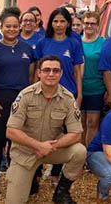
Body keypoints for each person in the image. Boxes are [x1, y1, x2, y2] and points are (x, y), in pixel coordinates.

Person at [5, 56, 86, 204]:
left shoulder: (68, 98)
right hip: (25, 152)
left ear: (61, 73)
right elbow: (11, 131)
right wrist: (38, 146)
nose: (51, 74)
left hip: (52, 150)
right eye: (46, 70)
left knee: (80, 151)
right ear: (38, 73)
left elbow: (76, 134)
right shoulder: (25, 95)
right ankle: (31, 180)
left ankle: (61, 192)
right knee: (14, 201)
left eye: (55, 70)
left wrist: (51, 146)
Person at [0, 10, 35, 196]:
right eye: (7, 26)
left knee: (18, 143)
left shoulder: (27, 49)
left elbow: (31, 76)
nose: (11, 29)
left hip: (21, 101)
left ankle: (15, 178)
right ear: (1, 27)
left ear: (20, 27)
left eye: (14, 26)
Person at [36, 7, 85, 104]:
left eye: (62, 21)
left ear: (68, 23)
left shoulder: (74, 43)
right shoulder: (42, 42)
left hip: (68, 91)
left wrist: (79, 96)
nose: (58, 25)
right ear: (51, 23)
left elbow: (77, 72)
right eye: (55, 21)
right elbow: (37, 72)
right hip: (45, 94)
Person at [80, 11, 106, 147]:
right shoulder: (76, 42)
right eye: (86, 23)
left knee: (92, 123)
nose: (89, 26)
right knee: (80, 123)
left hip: (96, 88)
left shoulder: (103, 43)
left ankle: (89, 154)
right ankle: (80, 156)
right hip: (78, 88)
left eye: (92, 23)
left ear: (98, 25)